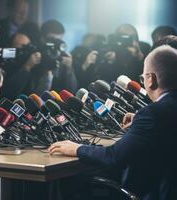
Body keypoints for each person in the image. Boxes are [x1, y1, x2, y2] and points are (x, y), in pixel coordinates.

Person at [48, 45, 177, 200]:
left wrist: (77, 148)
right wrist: (140, 119)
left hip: (156, 193)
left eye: (143, 78)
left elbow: (114, 156)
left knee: (77, 178)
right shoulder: (159, 113)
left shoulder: (153, 114)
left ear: (151, 79)